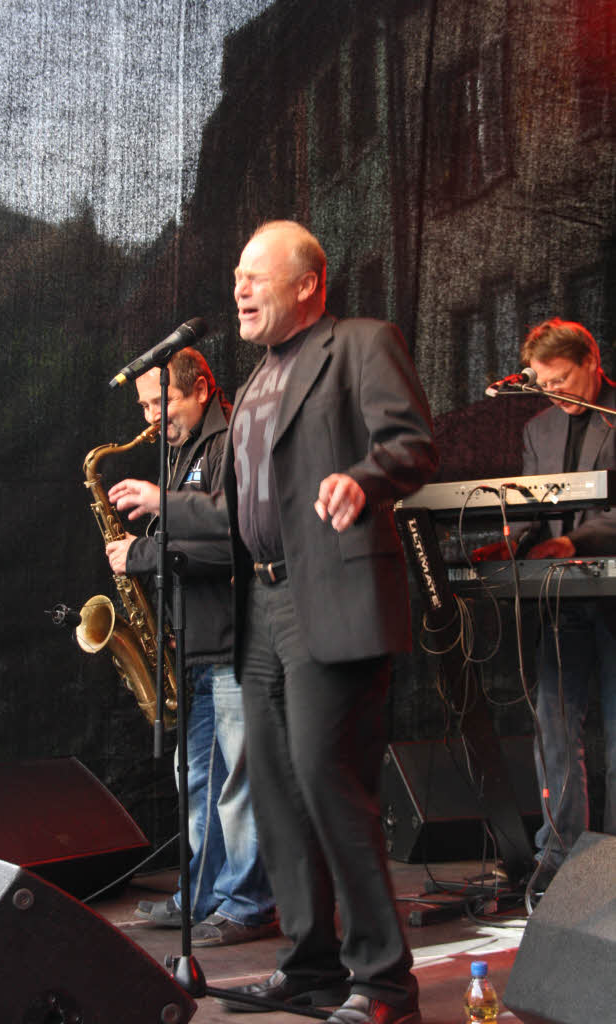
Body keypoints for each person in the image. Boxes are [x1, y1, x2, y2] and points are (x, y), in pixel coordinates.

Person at [113, 221, 437, 1024]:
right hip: (261, 610)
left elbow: (413, 445)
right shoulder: (257, 381)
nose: (240, 290)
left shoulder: (361, 344)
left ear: (307, 283)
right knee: (278, 799)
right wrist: (168, 514)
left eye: (257, 275)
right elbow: (236, 510)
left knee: (333, 789)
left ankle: (385, 983)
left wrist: (365, 478)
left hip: (333, 597)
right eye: (235, 278)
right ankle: (310, 967)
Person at [106, 348, 276, 947]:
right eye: (147, 405)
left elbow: (237, 536)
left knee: (241, 783)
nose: (154, 416)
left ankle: (249, 904)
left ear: (201, 388)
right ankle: (202, 895)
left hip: (235, 639)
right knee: (197, 780)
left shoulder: (234, 440)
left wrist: (149, 541)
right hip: (195, 643)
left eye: (162, 401)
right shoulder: (177, 450)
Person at [473, 318, 616, 886]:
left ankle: (609, 870)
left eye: (564, 379)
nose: (557, 391)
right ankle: (560, 860)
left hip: (611, 592)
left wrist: (575, 541)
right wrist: (507, 542)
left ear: (592, 361)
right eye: (545, 383)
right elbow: (535, 512)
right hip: (563, 600)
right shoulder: (538, 429)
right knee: (554, 729)